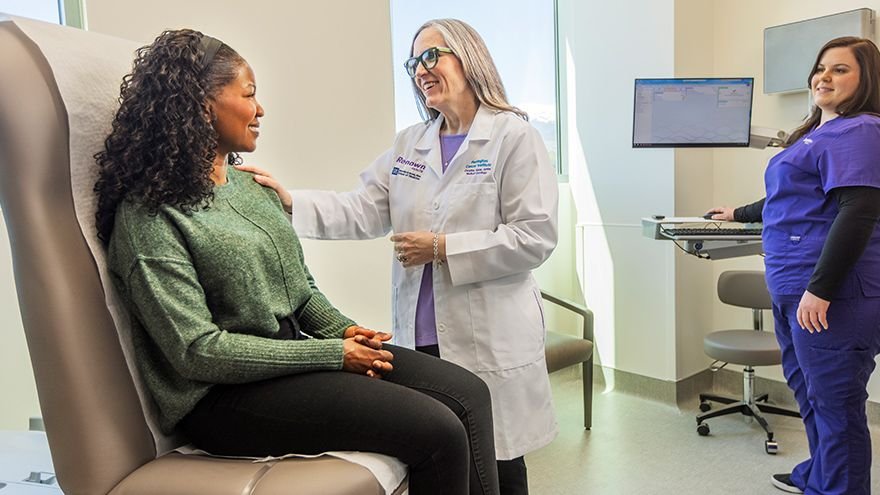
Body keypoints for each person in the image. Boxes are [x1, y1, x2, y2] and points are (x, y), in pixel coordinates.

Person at [93, 29, 501, 495]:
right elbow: (196, 352)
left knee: (469, 394)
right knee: (438, 431)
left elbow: (300, 289)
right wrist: (331, 353)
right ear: (200, 106)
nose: (260, 109)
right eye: (248, 95)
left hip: (289, 364)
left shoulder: (247, 187)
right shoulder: (149, 216)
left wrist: (345, 330)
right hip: (221, 399)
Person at [239, 18, 558, 495]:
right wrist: (290, 201)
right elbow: (363, 208)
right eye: (413, 62)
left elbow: (536, 235)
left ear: (469, 57)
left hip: (491, 334)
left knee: (499, 462)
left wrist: (442, 248)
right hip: (422, 332)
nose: (420, 70)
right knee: (448, 453)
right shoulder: (412, 143)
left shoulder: (513, 137)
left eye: (432, 56)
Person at [710, 36, 880, 495]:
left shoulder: (861, 129)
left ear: (867, 79)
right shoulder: (816, 135)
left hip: (832, 294)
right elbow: (787, 199)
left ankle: (839, 488)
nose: (824, 76)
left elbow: (859, 209)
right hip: (794, 288)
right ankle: (818, 475)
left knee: (836, 404)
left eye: (840, 69)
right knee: (809, 392)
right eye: (821, 67)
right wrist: (738, 214)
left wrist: (821, 289)